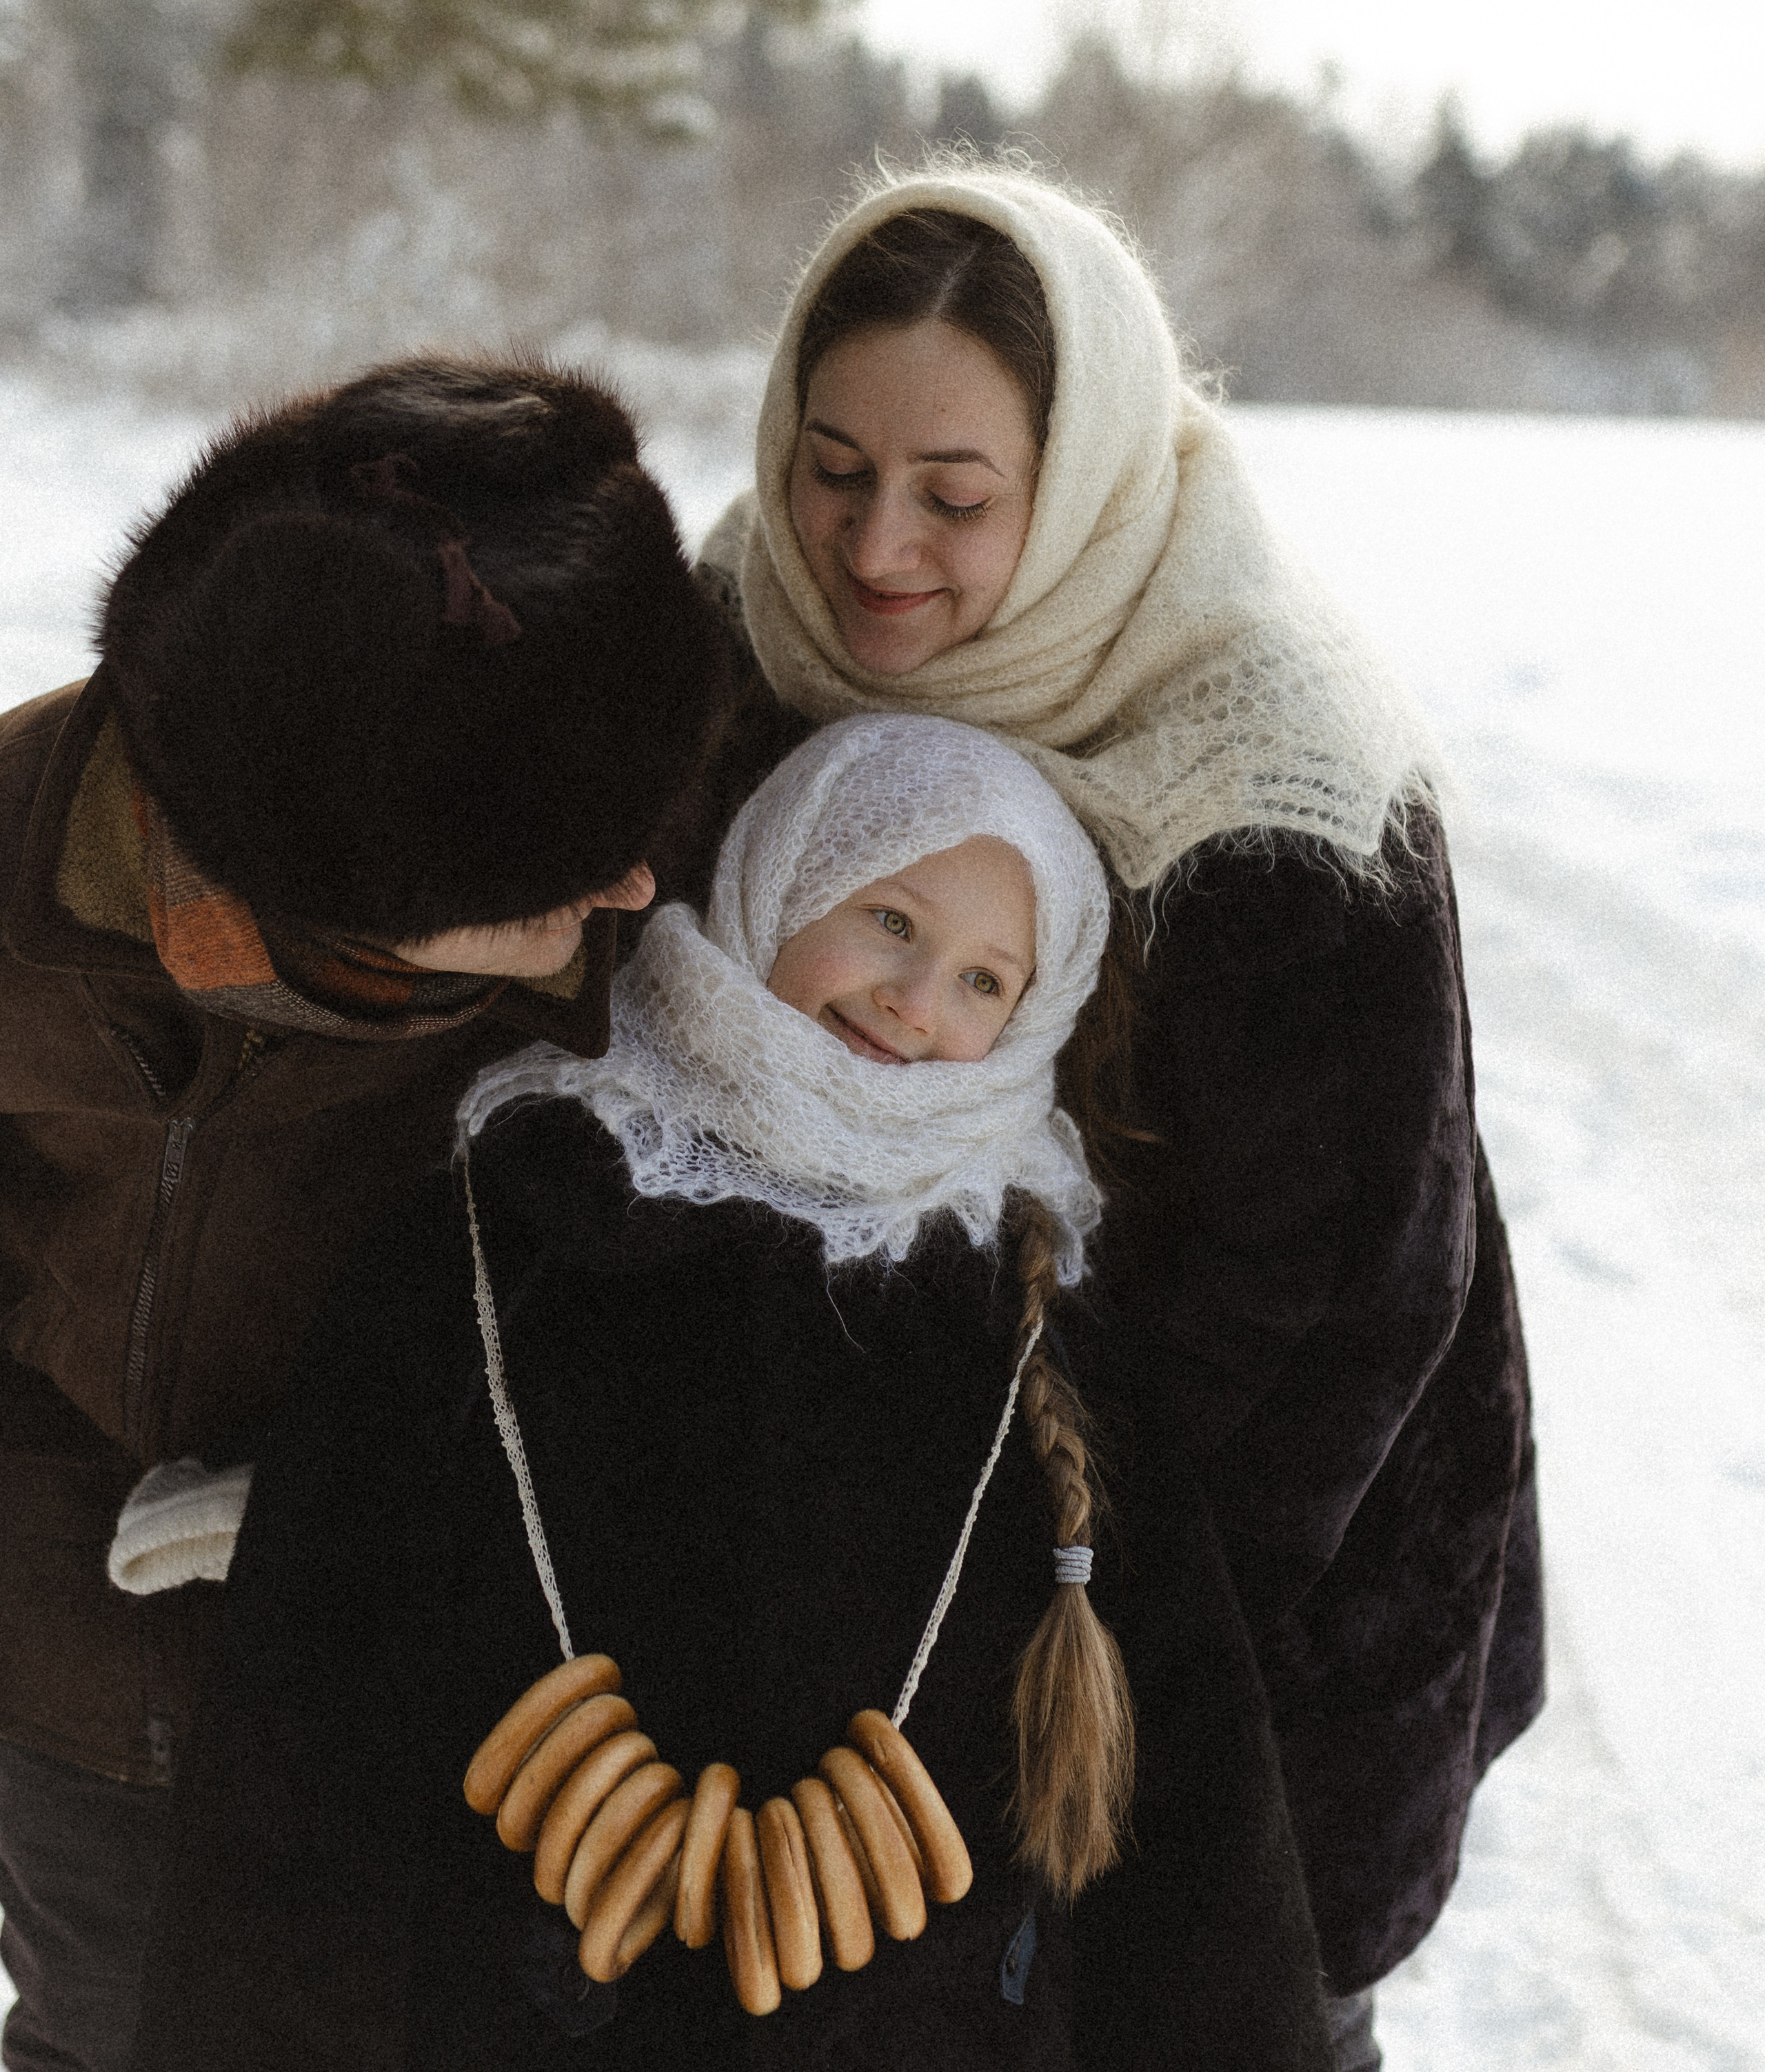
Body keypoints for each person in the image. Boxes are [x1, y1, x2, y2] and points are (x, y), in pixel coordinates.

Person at [127, 715, 1333, 2071]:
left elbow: (1188, 1782)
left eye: (983, 979)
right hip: (511, 2006)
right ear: (777, 874)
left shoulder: (1040, 1302)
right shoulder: (513, 1213)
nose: (915, 999)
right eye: (887, 918)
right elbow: (304, 1699)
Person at [691, 163, 1546, 2062]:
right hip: (850, 1630)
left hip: (1233, 1639)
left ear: (1074, 478)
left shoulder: (1278, 780)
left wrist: (1056, 1641)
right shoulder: (744, 641)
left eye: (956, 497)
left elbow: (1341, 1326)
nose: (872, 546)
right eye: (831, 467)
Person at [0, 355, 729, 2072]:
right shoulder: (20, 870)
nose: (631, 879)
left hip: (468, 1704)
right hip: (83, 1697)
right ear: (329, 898)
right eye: (566, 872)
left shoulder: (643, 865)